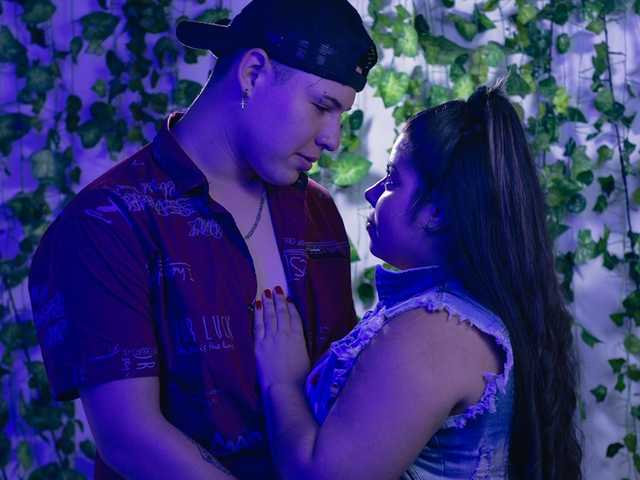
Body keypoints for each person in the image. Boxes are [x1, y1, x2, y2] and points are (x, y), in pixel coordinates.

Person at [27, 1, 377, 478]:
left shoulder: (316, 211)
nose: (333, 138)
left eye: (341, 114)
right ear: (253, 73)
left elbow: (340, 395)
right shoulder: (106, 222)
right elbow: (130, 437)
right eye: (321, 106)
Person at [252, 81, 583, 479]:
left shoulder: (435, 331)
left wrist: (281, 381)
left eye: (392, 180)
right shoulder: (445, 316)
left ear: (437, 212)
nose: (372, 193)